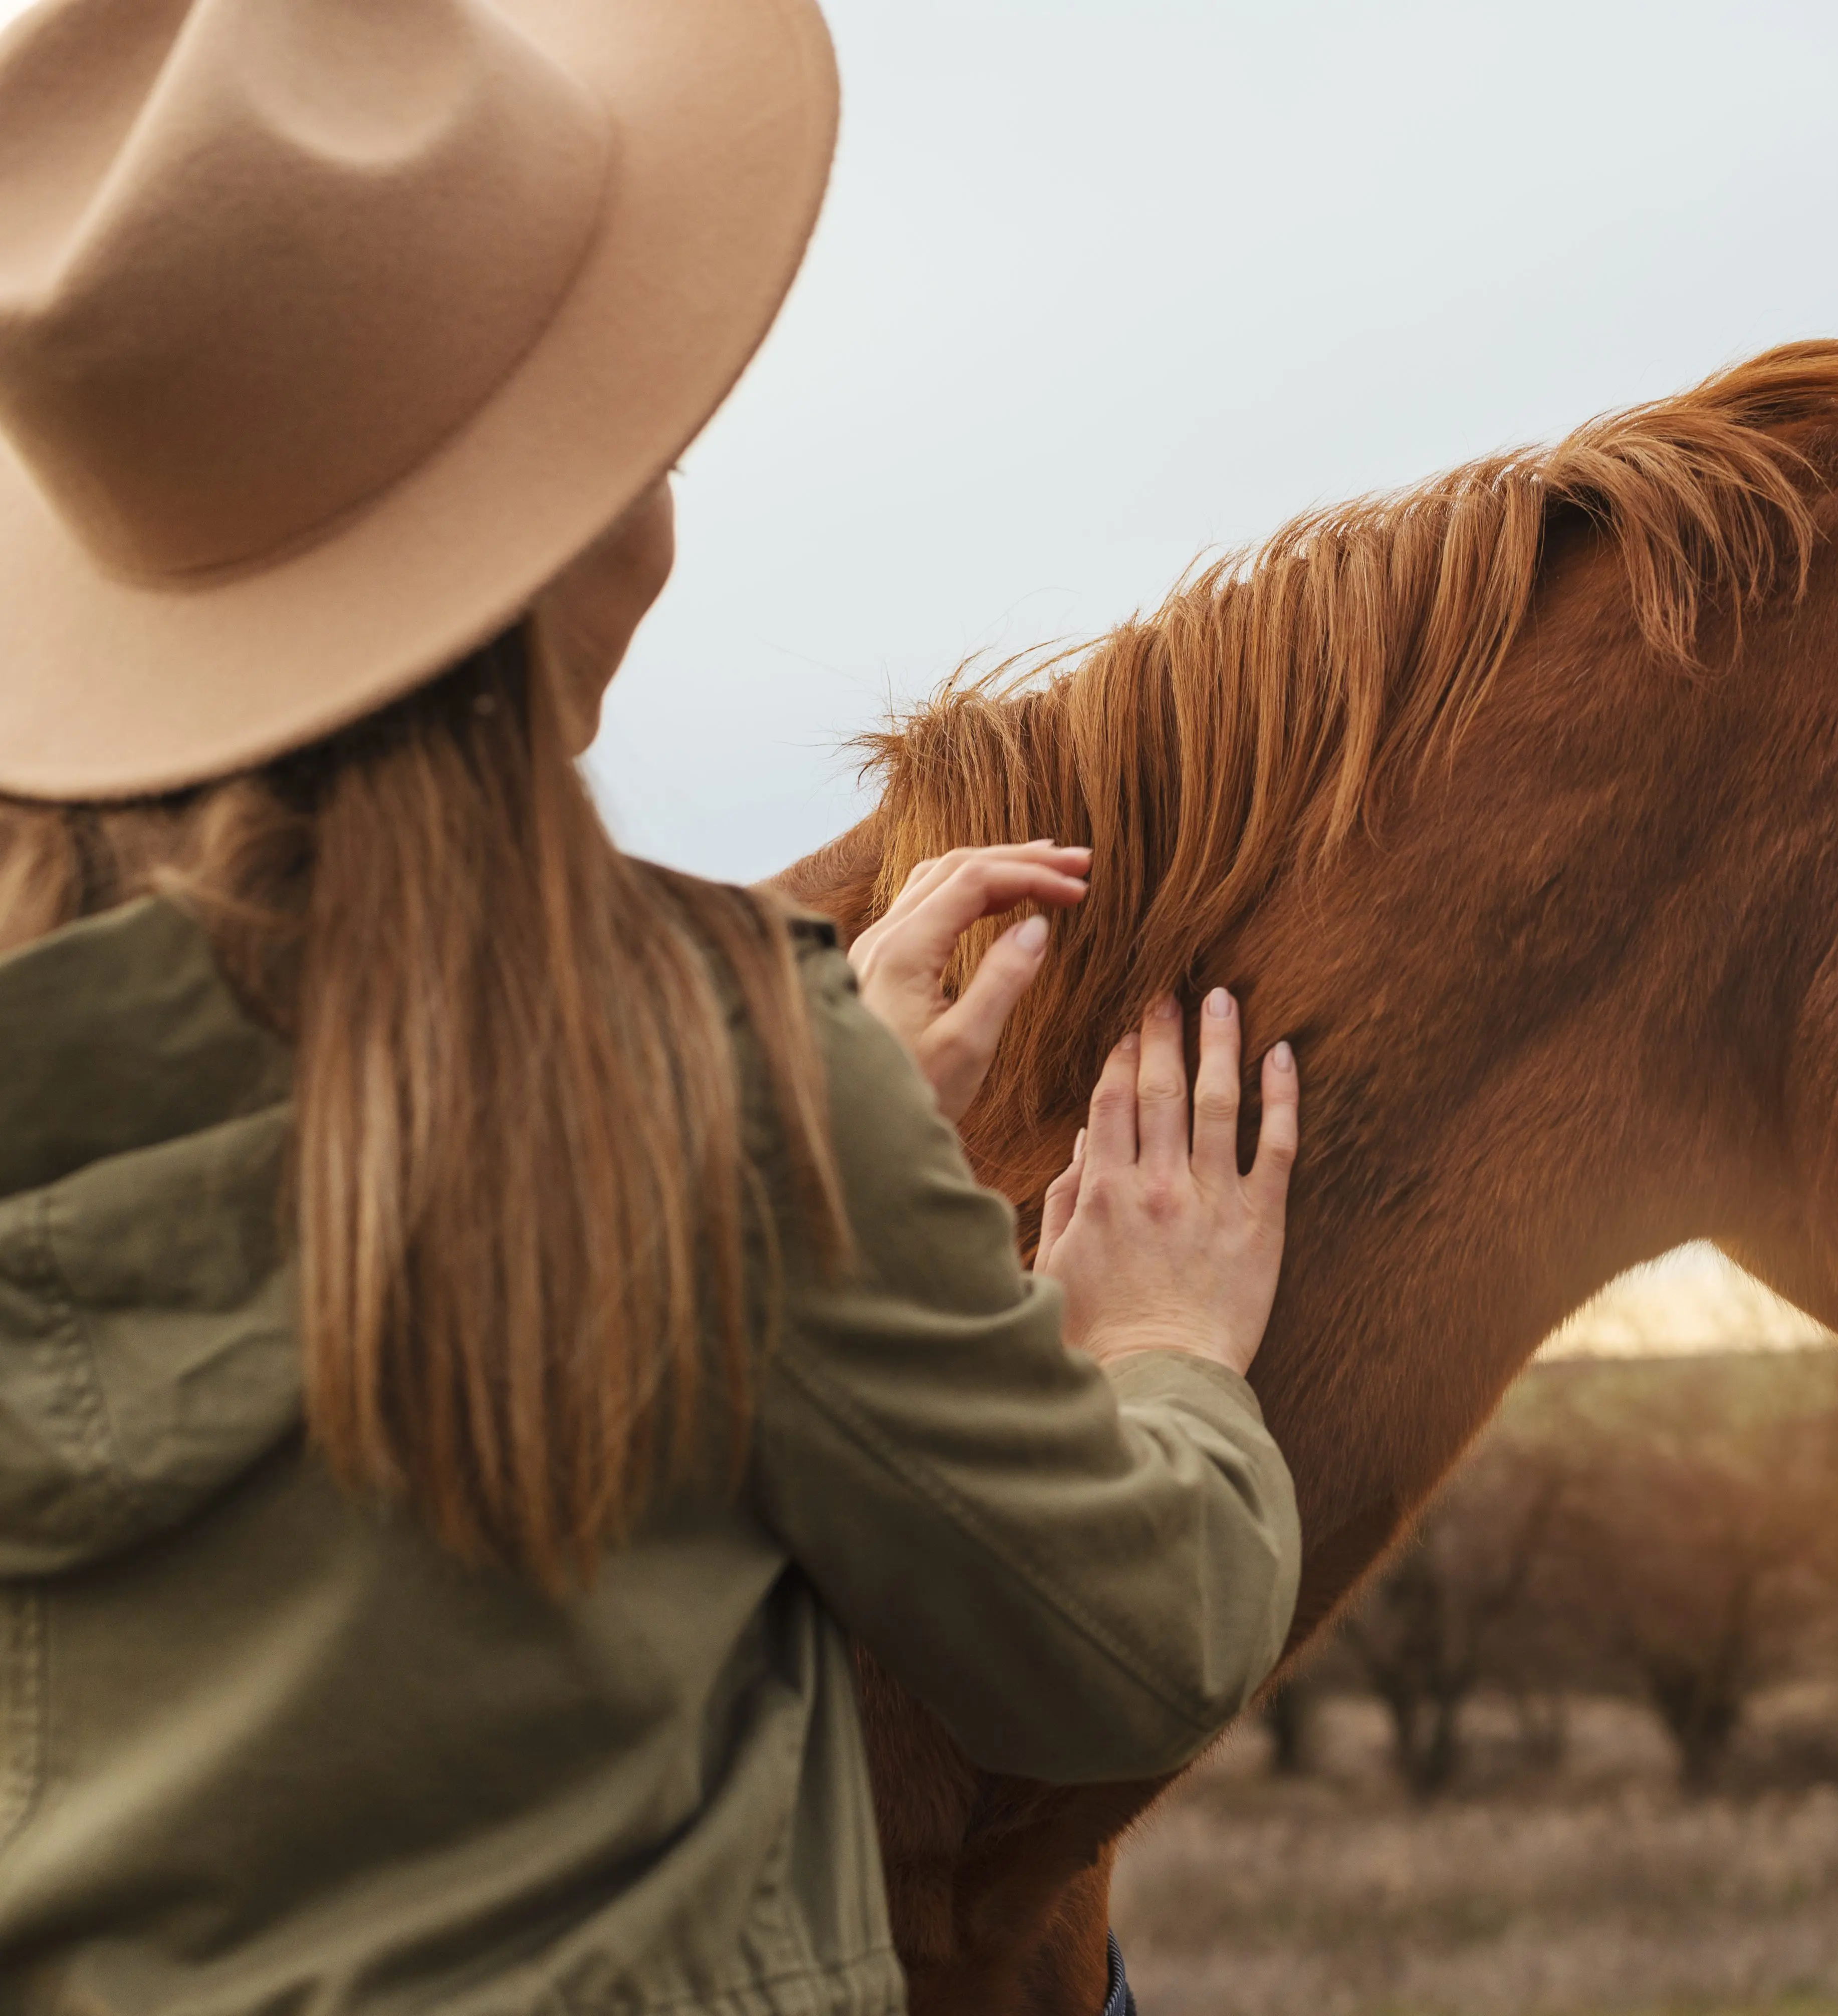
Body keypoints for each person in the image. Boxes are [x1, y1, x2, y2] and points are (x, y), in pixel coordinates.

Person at [0, 1, 1301, 2010]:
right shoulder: (710, 1089)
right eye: (638, 431)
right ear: (567, 554)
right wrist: (1165, 1341)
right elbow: (1123, 1644)